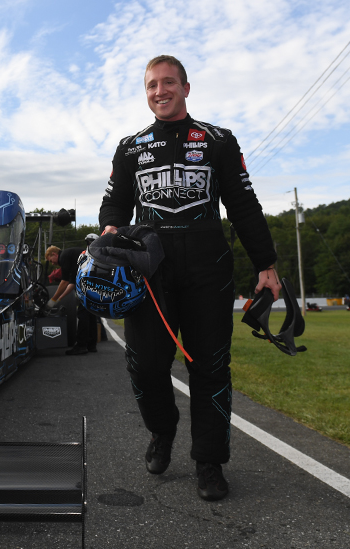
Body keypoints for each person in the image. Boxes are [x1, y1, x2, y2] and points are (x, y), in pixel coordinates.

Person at [99, 55, 281, 501]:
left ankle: (209, 462)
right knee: (145, 366)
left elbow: (243, 205)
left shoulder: (218, 140)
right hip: (150, 273)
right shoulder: (130, 147)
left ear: (185, 87)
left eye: (168, 83)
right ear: (146, 92)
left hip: (208, 270)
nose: (160, 91)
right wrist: (109, 232)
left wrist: (266, 264)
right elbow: (114, 207)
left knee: (211, 368)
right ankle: (162, 431)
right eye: (152, 85)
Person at [44, 244, 100, 355]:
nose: (53, 263)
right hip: (94, 278)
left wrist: (52, 300)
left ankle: (81, 345)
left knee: (83, 313)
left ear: (54, 254)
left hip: (89, 280)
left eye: (51, 260)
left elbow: (64, 282)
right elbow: (72, 283)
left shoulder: (64, 257)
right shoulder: (71, 256)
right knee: (90, 312)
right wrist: (59, 298)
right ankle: (91, 344)